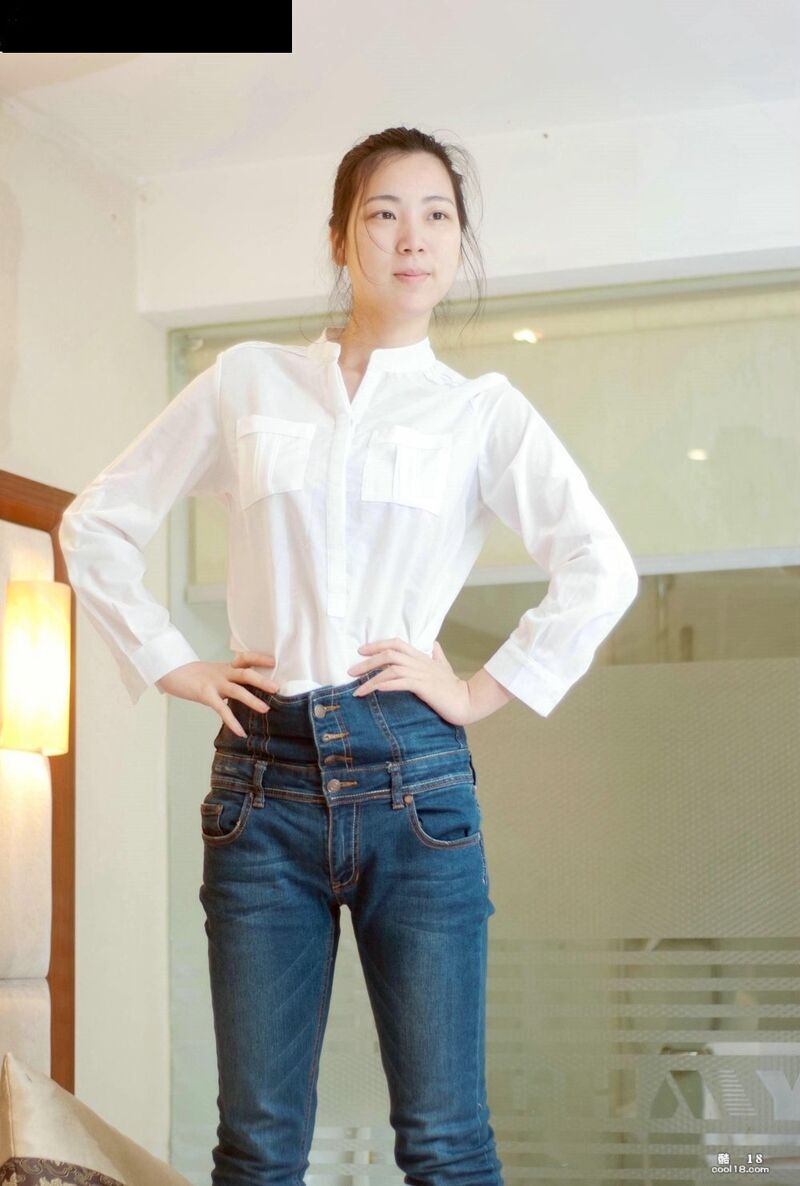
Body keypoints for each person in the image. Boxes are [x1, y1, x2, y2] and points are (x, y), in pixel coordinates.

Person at [58, 125, 639, 1186]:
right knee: (258, 1145)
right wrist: (170, 660)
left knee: (446, 1142)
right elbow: (96, 522)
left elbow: (600, 565)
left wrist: (477, 689)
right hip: (261, 784)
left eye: (436, 216)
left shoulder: (480, 412)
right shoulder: (247, 382)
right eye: (384, 213)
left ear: (457, 245)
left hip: (416, 780)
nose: (412, 238)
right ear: (340, 237)